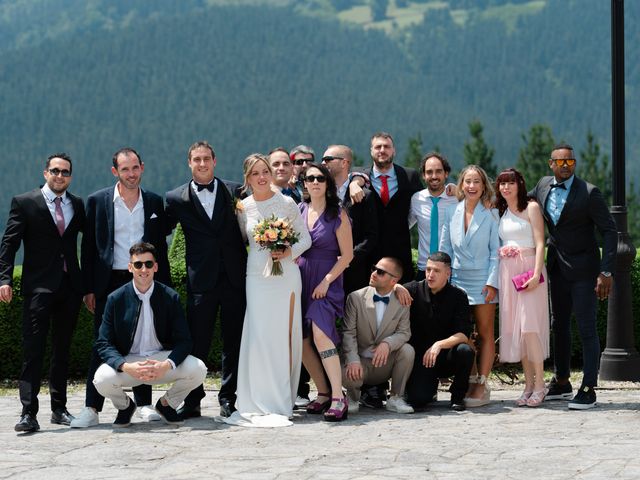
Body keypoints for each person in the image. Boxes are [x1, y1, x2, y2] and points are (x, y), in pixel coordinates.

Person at [72, 147, 171, 428]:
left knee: (142, 342)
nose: (131, 174)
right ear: (115, 171)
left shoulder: (153, 201)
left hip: (143, 278)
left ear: (142, 167)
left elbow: (160, 247)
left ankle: (143, 405)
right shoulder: (97, 201)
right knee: (101, 343)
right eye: (125, 169)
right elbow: (88, 247)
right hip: (108, 281)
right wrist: (88, 288)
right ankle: (91, 408)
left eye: (135, 168)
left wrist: (162, 284)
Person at [224, 153, 311, 427]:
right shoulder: (243, 207)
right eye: (255, 173)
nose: (261, 177)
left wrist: (287, 251)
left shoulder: (286, 203)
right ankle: (256, 398)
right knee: (259, 337)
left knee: (282, 336)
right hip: (256, 276)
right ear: (247, 179)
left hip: (285, 276)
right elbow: (241, 241)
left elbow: (305, 239)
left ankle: (281, 399)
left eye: (265, 171)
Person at [0, 153, 85, 432]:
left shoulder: (77, 204)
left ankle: (59, 409)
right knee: (33, 351)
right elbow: (9, 244)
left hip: (69, 287)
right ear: (45, 172)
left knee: (62, 351)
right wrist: (5, 279)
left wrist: (87, 286)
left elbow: (91, 245)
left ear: (70, 176)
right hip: (37, 288)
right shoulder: (25, 202)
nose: (60, 176)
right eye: (55, 171)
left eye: (65, 172)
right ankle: (28, 413)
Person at [529, 143, 617, 410]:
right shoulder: (543, 186)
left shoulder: (590, 193)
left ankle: (589, 388)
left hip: (585, 271)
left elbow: (610, 232)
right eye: (560, 162)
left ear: (574, 164)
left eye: (570, 162)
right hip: (557, 269)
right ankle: (563, 380)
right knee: (559, 325)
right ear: (551, 164)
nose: (566, 166)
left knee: (587, 328)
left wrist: (606, 270)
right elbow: (519, 199)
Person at [165, 141, 247, 418]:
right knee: (197, 343)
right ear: (189, 163)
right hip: (200, 281)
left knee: (232, 341)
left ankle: (228, 397)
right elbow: (158, 227)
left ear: (215, 161)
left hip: (235, 278)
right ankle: (193, 400)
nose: (202, 164)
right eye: (196, 160)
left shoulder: (235, 190)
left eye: (206, 159)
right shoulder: (175, 198)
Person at [93, 242, 207, 427]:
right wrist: (125, 366)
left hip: (161, 360)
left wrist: (166, 364)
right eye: (138, 264)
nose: (143, 269)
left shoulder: (170, 297)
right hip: (130, 362)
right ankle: (125, 407)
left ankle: (166, 404)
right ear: (130, 267)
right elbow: (103, 343)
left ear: (155, 267)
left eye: (148, 264)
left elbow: (184, 341)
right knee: (101, 379)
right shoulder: (115, 299)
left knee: (199, 369)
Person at [439, 164, 499, 407]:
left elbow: (496, 252)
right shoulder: (451, 212)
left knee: (485, 334)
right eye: (468, 181)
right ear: (461, 185)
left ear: (484, 186)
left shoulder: (491, 213)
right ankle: (470, 378)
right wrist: (444, 279)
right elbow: (445, 249)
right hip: (458, 281)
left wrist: (492, 282)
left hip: (483, 281)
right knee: (464, 334)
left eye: (477, 182)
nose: (472, 186)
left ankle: (482, 384)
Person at [298, 164, 354, 422]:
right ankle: (321, 392)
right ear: (305, 184)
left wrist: (326, 282)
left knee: (321, 334)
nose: (316, 182)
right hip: (300, 277)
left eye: (321, 178)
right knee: (302, 339)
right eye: (310, 178)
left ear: (328, 184)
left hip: (327, 280)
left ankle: (337, 396)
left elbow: (347, 256)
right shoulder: (299, 211)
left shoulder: (338, 214)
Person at [495, 168, 550, 407]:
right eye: (502, 184)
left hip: (530, 269)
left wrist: (537, 273)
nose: (506, 187)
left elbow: (540, 242)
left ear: (519, 184)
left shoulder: (532, 208)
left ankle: (541, 385)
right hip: (508, 272)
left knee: (530, 328)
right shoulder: (502, 211)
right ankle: (528, 385)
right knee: (516, 330)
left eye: (510, 183)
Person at [342, 257, 415, 414]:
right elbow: (348, 333)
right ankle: (352, 398)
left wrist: (388, 343)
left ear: (394, 280)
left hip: (385, 364)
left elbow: (404, 332)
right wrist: (353, 360)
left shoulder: (402, 300)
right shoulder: (355, 298)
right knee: (349, 365)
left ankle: (396, 398)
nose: (374, 273)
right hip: (359, 362)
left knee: (407, 350)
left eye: (380, 272)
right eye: (374, 268)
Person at [403, 252, 474, 411]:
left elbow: (463, 335)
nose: (430, 275)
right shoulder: (414, 289)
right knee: (418, 400)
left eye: (436, 271)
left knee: (465, 350)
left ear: (448, 273)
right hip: (422, 359)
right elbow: (390, 286)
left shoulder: (459, 296)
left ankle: (458, 396)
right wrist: (397, 287)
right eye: (428, 270)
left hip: (446, 356)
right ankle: (429, 388)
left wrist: (439, 345)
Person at [351, 132, 422, 284]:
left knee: (402, 300)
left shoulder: (410, 176)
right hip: (367, 254)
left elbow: (426, 201)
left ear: (394, 150)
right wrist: (353, 183)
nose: (382, 150)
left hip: (400, 252)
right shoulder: (358, 176)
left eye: (387, 146)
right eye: (378, 147)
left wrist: (452, 189)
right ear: (371, 151)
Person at [322, 144, 378, 294]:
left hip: (354, 272)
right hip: (323, 269)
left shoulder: (365, 195)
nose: (323, 163)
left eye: (328, 159)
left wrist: (349, 258)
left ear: (344, 163)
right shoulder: (320, 193)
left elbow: (371, 235)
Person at [409, 152, 459, 280]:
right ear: (424, 176)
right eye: (429, 172)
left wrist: (460, 191)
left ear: (446, 173)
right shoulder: (416, 199)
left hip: (450, 270)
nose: (434, 176)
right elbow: (405, 226)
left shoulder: (457, 198)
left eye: (438, 171)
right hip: (424, 269)